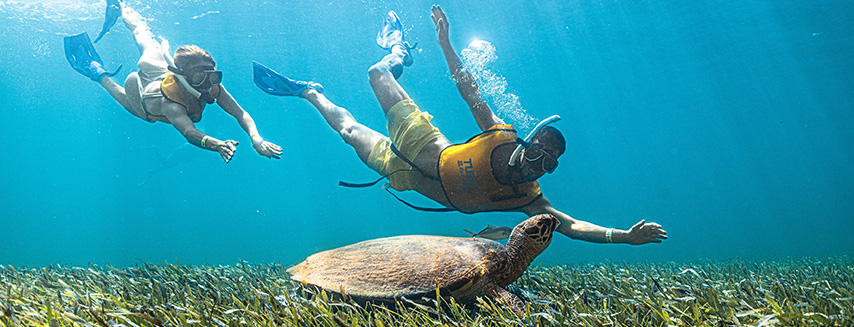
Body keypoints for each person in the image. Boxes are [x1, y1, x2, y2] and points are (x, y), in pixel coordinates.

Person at [253, 5, 666, 246]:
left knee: (348, 134)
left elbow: (571, 226)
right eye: (539, 148)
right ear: (528, 138)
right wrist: (445, 45)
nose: (538, 162)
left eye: (549, 163)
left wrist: (623, 236)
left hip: (404, 175)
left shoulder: (527, 196)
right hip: (421, 138)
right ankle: (400, 50)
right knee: (377, 73)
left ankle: (309, 92)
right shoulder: (500, 134)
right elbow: (471, 91)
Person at [63, 3, 282, 163]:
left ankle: (121, 7)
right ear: (183, 76)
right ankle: (97, 71)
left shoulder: (210, 84)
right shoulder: (173, 106)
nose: (207, 84)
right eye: (199, 78)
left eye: (212, 76)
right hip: (144, 97)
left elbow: (240, 113)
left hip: (157, 66)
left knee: (142, 31)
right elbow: (189, 133)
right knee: (125, 98)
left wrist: (256, 138)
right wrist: (217, 145)